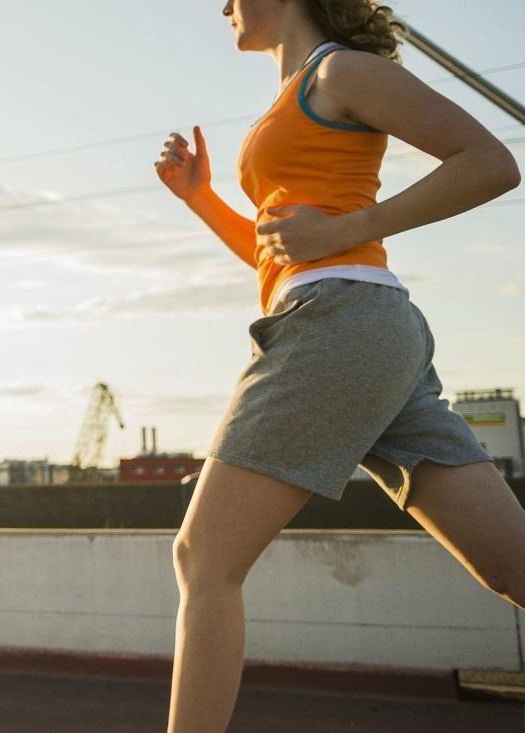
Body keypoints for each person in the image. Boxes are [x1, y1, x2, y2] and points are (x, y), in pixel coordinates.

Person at [153, 0, 521, 730]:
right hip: (363, 329)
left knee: (204, 560)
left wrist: (350, 227)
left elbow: (493, 163)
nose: (220, 4)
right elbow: (284, 253)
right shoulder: (294, 95)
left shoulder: (342, 71)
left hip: (338, 324)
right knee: (514, 566)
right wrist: (202, 201)